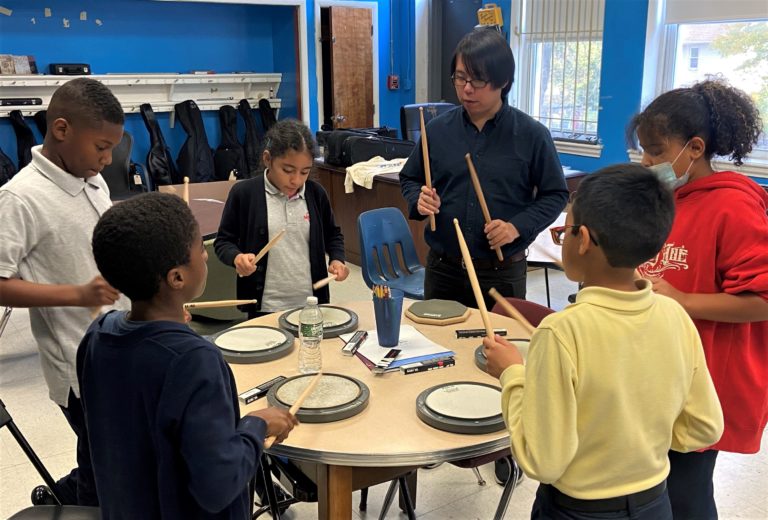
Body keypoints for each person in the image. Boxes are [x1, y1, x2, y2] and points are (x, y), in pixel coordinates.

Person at [484, 165, 725, 520]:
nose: (563, 239)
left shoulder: (561, 331)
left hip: (578, 511)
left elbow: (542, 461)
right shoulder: (675, 315)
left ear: (582, 239)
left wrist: (513, 375)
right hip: (654, 504)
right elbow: (706, 425)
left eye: (563, 231)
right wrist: (636, 439)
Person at [78, 192, 297, 519]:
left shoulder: (98, 335)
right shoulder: (195, 361)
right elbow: (218, 485)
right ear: (177, 277)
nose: (206, 257)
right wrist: (256, 424)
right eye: (199, 249)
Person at [628, 79, 768, 519]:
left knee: (686, 493)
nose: (646, 161)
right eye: (643, 150)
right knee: (655, 485)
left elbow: (761, 299)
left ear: (694, 147)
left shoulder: (734, 207)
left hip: (704, 380)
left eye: (655, 150)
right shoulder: (667, 198)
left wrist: (683, 300)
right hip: (657, 370)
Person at [0, 77, 128, 505]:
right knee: (107, 464)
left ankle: (62, 494)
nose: (108, 160)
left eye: (112, 148)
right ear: (61, 130)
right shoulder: (20, 198)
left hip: (118, 343)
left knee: (107, 453)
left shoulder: (93, 181)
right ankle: (69, 498)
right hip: (77, 363)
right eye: (101, 147)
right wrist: (77, 294)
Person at [399, 27, 568, 310]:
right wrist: (419, 198)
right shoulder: (437, 130)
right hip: (444, 270)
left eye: (477, 79)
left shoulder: (532, 135)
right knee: (441, 351)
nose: (466, 88)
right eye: (460, 77)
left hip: (501, 273)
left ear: (503, 81)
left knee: (498, 351)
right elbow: (410, 177)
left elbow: (555, 194)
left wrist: (516, 227)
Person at [215, 118, 348, 318]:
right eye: (287, 170)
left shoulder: (315, 193)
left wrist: (338, 260)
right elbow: (223, 242)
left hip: (310, 302)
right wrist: (237, 258)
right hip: (265, 304)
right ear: (268, 159)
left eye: (305, 172)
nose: (296, 180)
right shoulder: (244, 193)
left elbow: (333, 235)